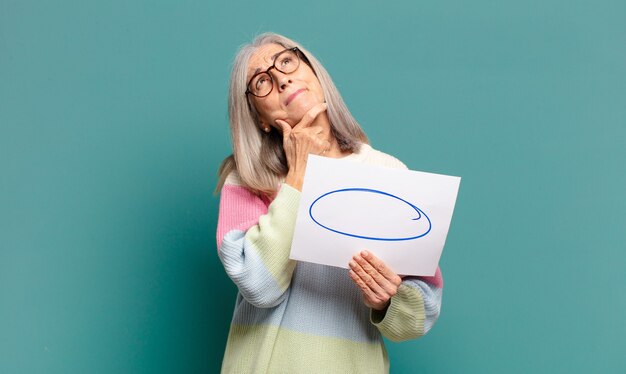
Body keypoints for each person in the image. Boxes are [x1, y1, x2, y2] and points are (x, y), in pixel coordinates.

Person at [215, 32, 443, 373]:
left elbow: (421, 312)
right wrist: (298, 178)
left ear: (313, 71)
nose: (281, 78)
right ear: (259, 118)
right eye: (261, 82)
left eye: (287, 61)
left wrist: (387, 300)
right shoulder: (248, 176)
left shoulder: (386, 172)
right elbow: (259, 286)